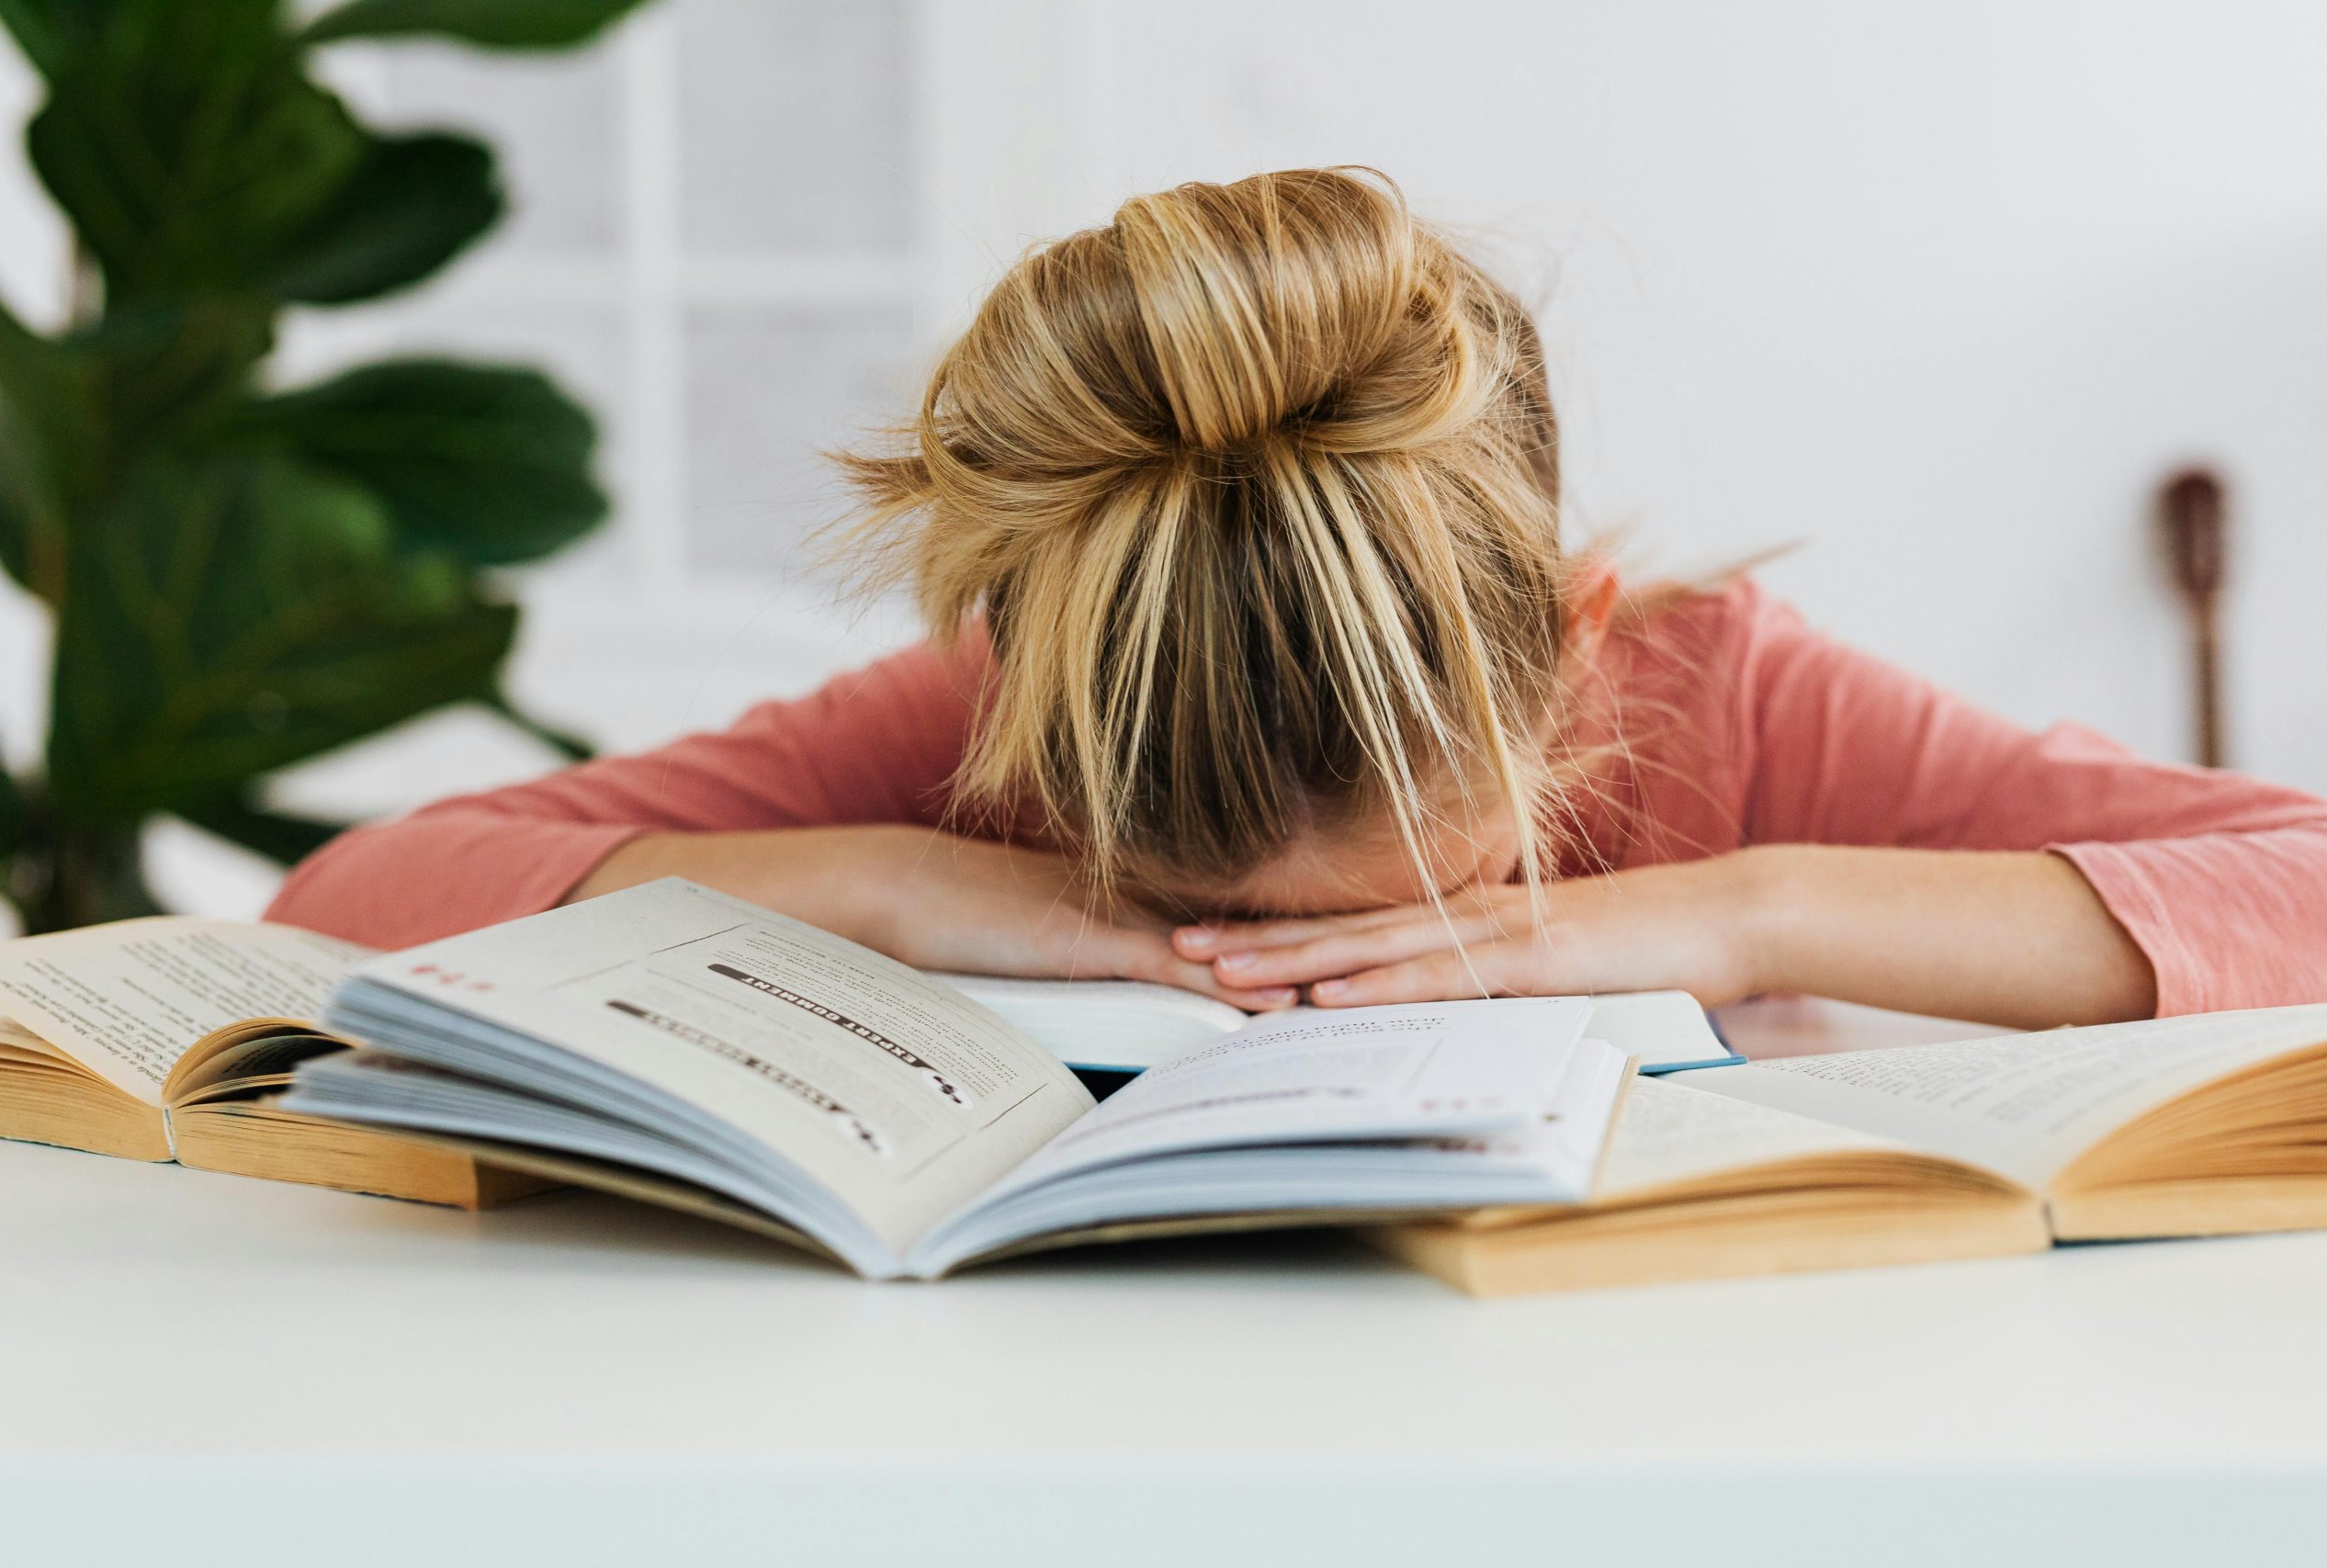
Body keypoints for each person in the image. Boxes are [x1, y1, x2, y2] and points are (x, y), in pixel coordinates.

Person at [267, 167, 2327, 1028]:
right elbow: (353, 890)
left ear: (1576, 643)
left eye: (1430, 918)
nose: (1309, 994)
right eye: (1223, 927)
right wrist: (890, 884)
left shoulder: (1728, 703)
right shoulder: (993, 722)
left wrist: (1739, 904)